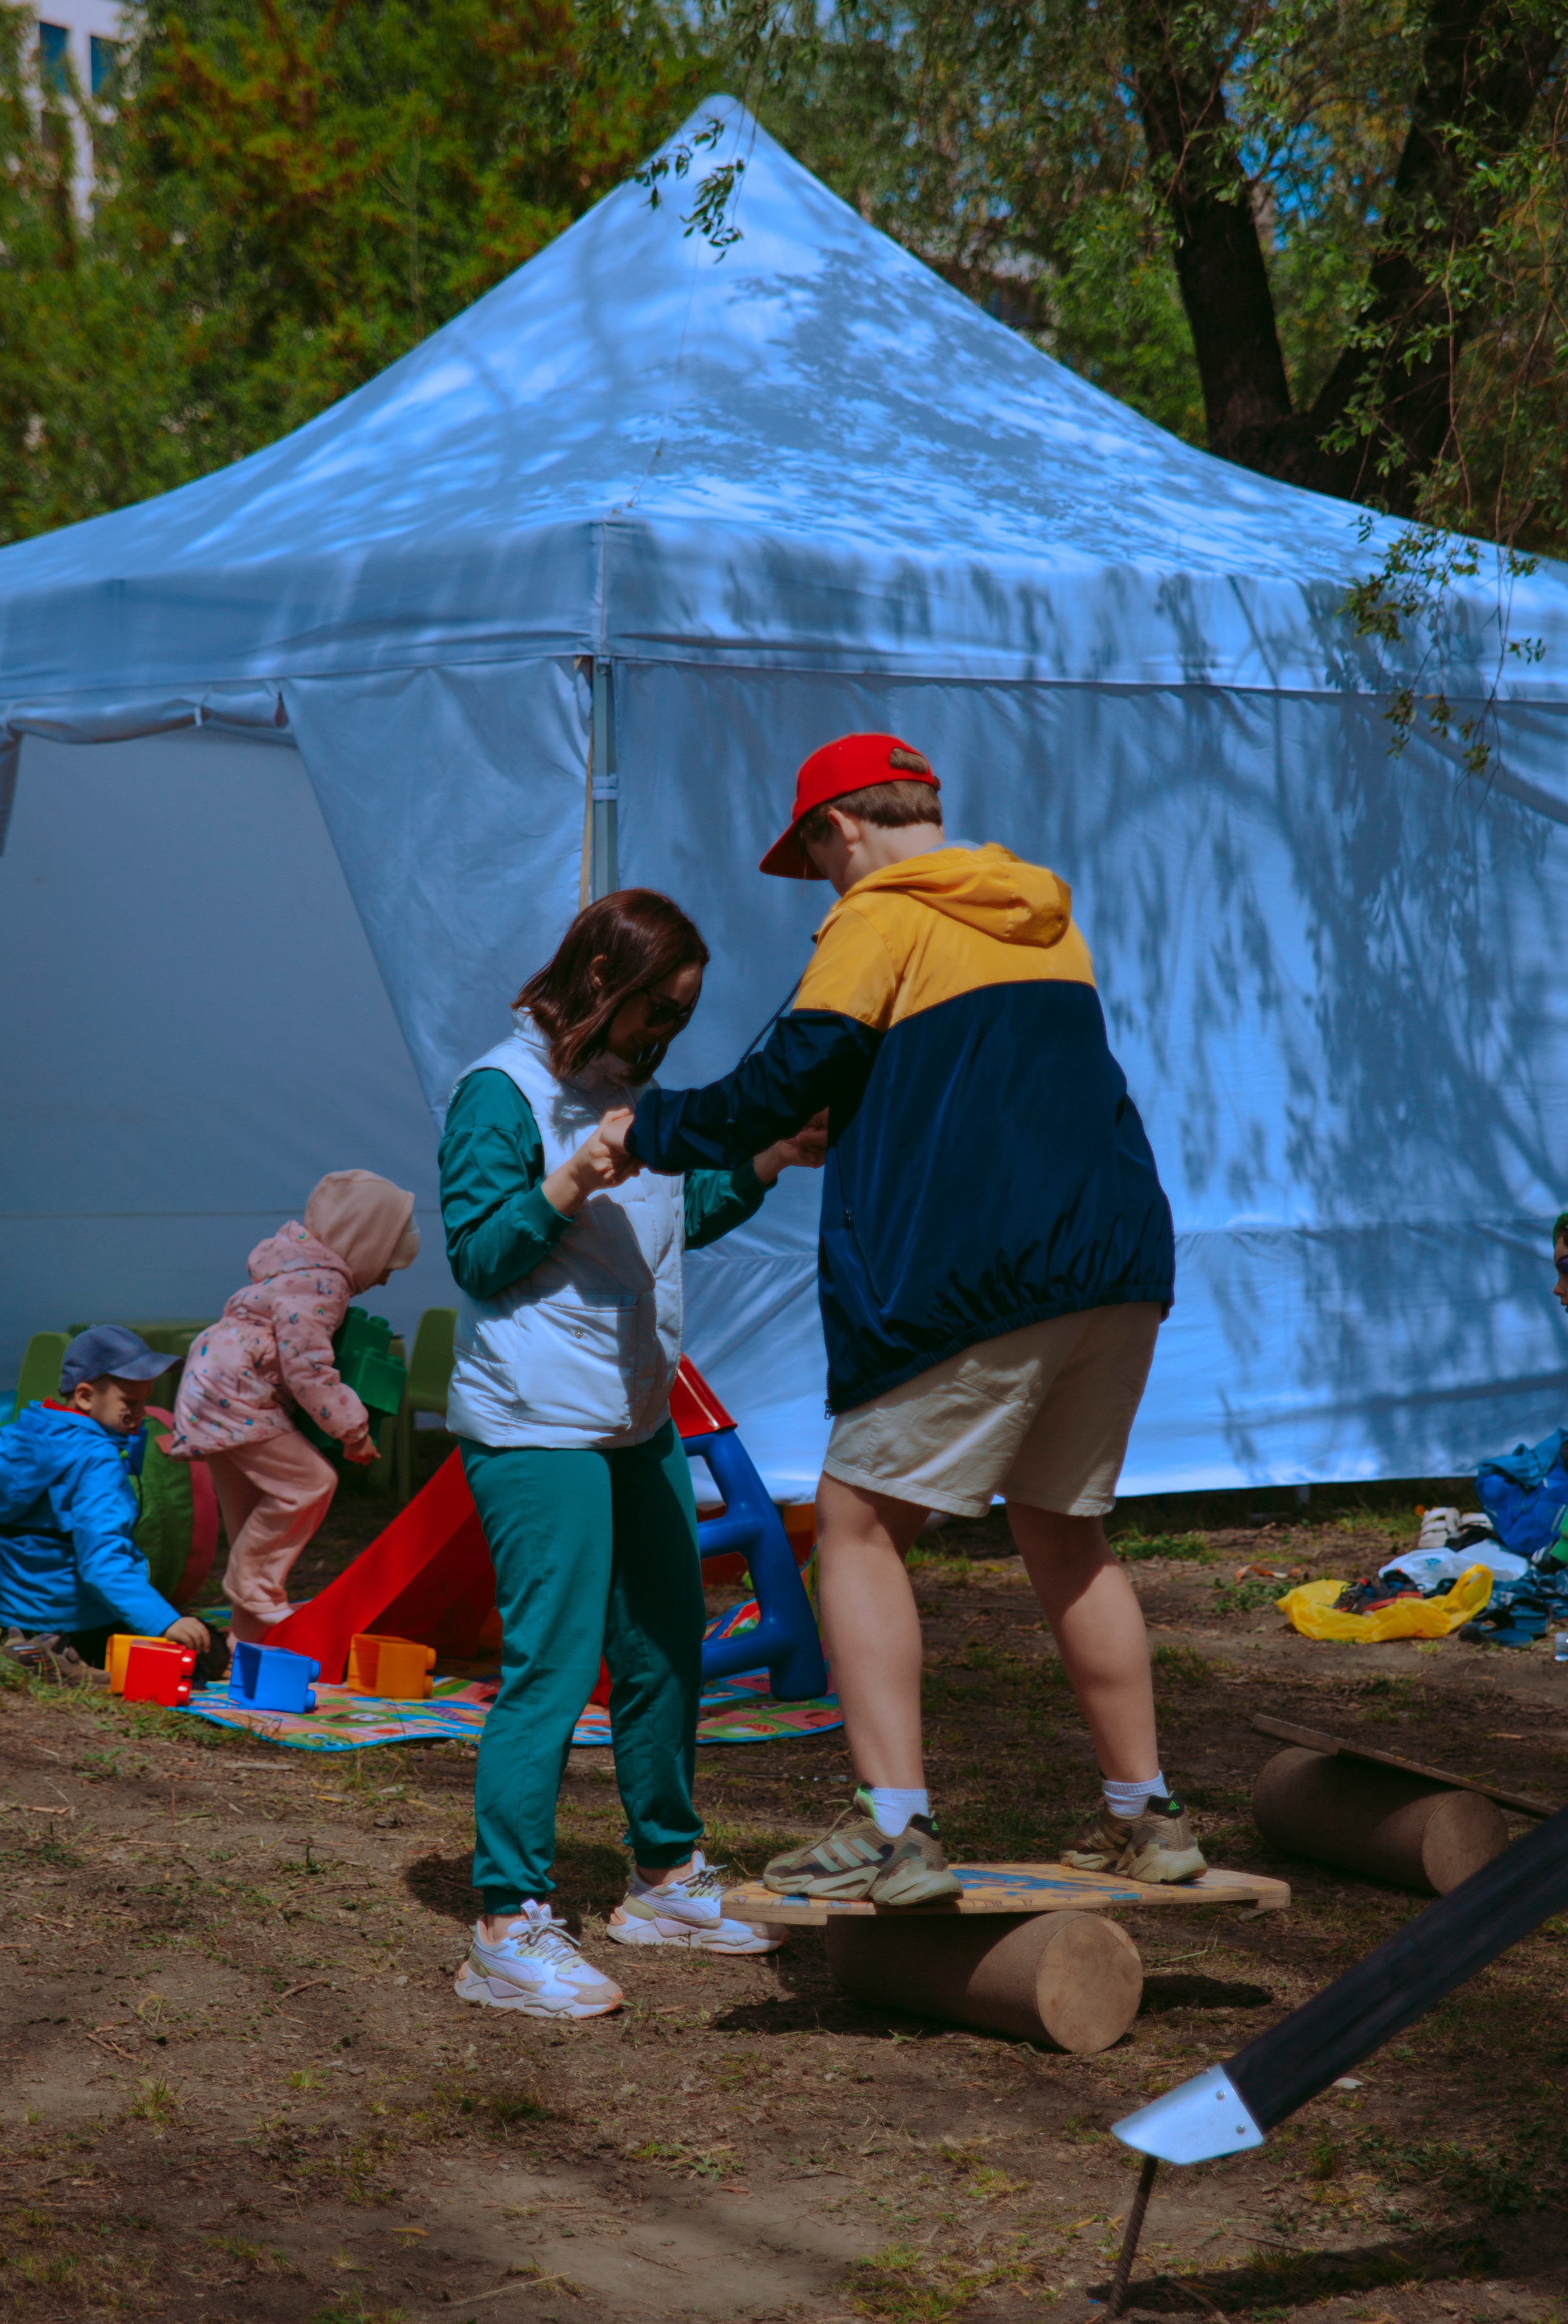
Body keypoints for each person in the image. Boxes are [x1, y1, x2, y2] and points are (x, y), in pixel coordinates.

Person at [608, 731, 1204, 1901]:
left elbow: (783, 1076)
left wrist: (650, 1130)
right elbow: (978, 1085)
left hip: (978, 1272)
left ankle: (893, 1826)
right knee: (1064, 1529)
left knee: (856, 1522)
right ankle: (1152, 1818)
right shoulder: (1044, 917)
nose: (823, 881)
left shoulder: (880, 916)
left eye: (816, 856)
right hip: (1119, 1259)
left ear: (842, 827)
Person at [443, 888, 824, 2020]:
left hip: (635, 1418)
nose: (670, 1035)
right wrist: (571, 1176)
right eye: (658, 1010)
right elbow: (479, 1249)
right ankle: (506, 1923)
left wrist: (768, 1157)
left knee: (667, 1644)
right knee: (554, 1667)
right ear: (603, 985)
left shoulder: (634, 1095)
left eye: (685, 1015)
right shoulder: (498, 1091)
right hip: (534, 1423)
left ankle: (663, 1878)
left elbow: (679, 1211)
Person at [167, 1170, 418, 1644]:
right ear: (363, 1244)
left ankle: (248, 1643)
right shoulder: (322, 1284)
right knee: (310, 1483)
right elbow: (307, 1365)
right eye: (387, 1265)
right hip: (238, 1390)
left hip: (211, 1381)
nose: (384, 1280)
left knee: (252, 1518)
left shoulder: (295, 1270)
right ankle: (255, 1588)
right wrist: (352, 1427)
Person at [0, 1324, 212, 1664]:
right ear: (85, 1397)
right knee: (205, 1653)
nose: (141, 1416)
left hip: (8, 1617)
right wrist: (165, 1622)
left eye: (145, 1402)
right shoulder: (96, 1459)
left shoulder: (19, 1435)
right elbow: (102, 1563)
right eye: (130, 1403)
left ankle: (10, 1642)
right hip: (74, 1625)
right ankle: (59, 1658)